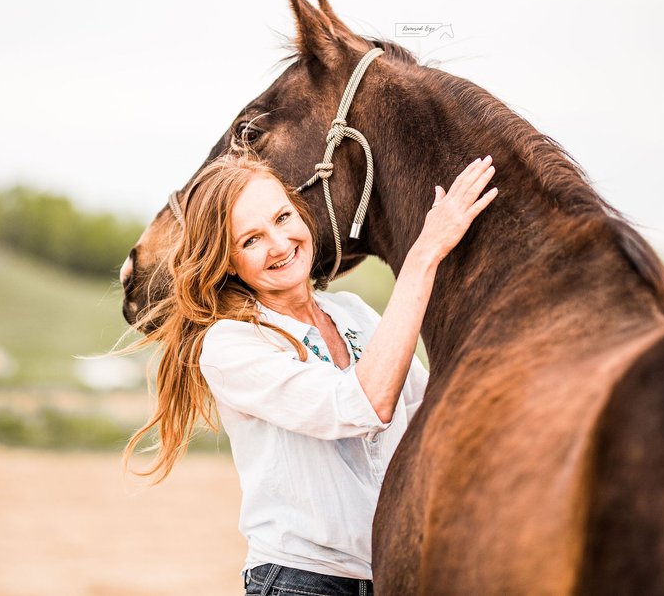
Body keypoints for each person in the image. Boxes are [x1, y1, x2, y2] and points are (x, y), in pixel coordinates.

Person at [120, 151, 497, 595]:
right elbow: (363, 404)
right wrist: (424, 255)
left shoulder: (352, 312)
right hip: (302, 581)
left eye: (282, 218)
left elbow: (427, 415)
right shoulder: (231, 344)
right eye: (251, 240)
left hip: (396, 576)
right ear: (227, 261)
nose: (279, 244)